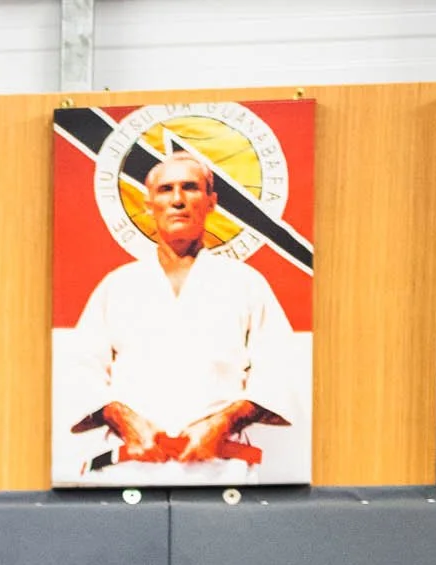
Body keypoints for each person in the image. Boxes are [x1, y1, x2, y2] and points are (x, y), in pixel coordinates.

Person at [60, 150, 299, 485]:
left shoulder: (245, 283)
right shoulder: (119, 285)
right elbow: (80, 370)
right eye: (165, 190)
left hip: (220, 467)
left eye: (190, 188)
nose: (177, 200)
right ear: (148, 205)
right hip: (130, 465)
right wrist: (125, 420)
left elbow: (278, 368)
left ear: (211, 201)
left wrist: (223, 424)